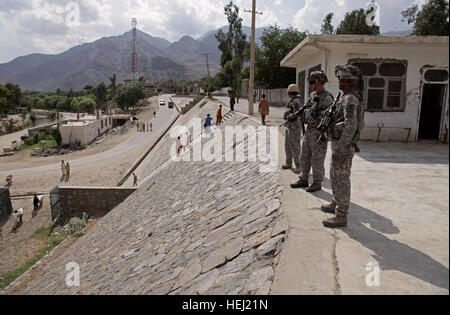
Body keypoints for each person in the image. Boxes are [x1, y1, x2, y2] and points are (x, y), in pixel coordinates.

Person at [321, 64, 365, 228]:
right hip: (339, 144)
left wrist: (341, 147)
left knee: (342, 179)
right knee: (335, 176)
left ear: (348, 80)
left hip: (344, 146)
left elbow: (351, 125)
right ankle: (335, 202)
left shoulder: (351, 99)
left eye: (340, 78)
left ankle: (341, 215)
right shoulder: (345, 96)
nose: (338, 81)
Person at [291, 71, 334, 192]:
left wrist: (318, 117)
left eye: (311, 82)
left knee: (317, 159)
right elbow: (307, 109)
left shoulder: (327, 98)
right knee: (304, 156)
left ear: (319, 82)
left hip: (318, 132)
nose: (310, 85)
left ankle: (317, 182)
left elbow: (330, 117)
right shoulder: (312, 95)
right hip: (309, 131)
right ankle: (303, 178)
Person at [282, 84, 303, 174]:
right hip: (289, 126)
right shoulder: (293, 100)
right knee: (287, 145)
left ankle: (299, 166)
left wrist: (290, 116)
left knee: (295, 147)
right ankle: (288, 162)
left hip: (294, 127)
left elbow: (298, 115)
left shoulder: (297, 102)